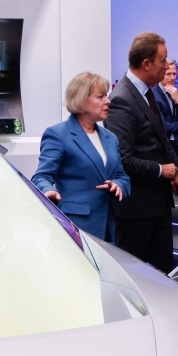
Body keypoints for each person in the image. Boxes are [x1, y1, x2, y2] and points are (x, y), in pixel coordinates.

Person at [105, 32, 178, 273]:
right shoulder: (122, 99)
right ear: (146, 64)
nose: (167, 66)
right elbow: (122, 159)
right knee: (134, 279)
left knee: (162, 276)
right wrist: (161, 170)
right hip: (136, 211)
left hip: (157, 206)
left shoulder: (147, 92)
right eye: (163, 61)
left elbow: (161, 138)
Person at [32, 72, 131, 240]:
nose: (108, 101)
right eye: (100, 97)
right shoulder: (58, 134)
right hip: (74, 227)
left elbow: (122, 176)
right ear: (81, 100)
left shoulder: (110, 138)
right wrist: (47, 190)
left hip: (107, 227)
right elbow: (41, 176)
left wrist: (118, 186)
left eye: (106, 95)